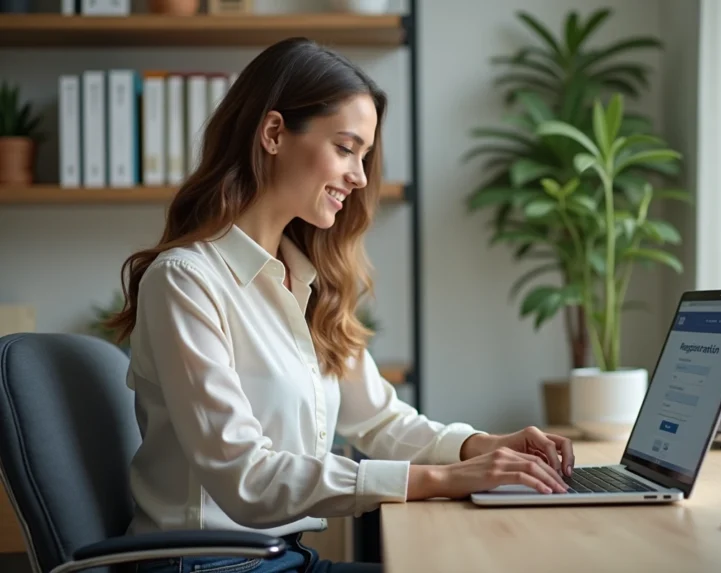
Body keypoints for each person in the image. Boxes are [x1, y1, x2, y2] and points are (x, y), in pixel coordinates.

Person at [105, 37, 575, 573]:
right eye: (346, 148)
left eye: (365, 156)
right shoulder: (186, 282)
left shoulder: (305, 283)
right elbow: (244, 478)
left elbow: (378, 420)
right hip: (208, 565)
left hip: (280, 559)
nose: (358, 175)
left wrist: (481, 447)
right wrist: (443, 480)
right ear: (275, 133)